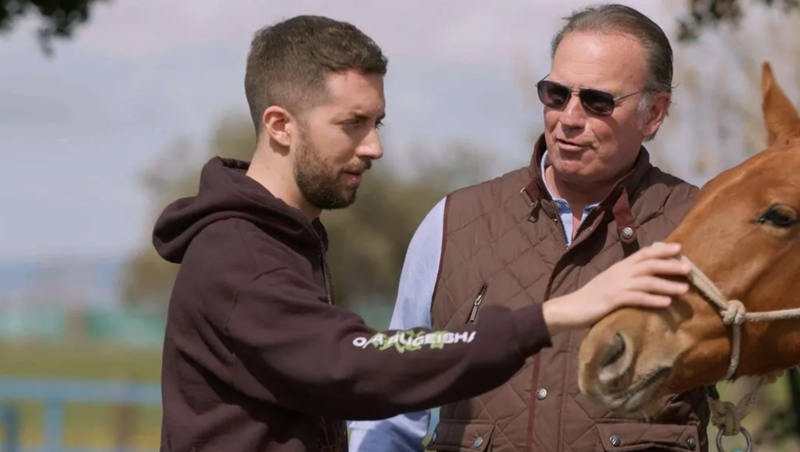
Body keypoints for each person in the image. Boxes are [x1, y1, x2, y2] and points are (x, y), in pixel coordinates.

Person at [152, 13, 697, 452]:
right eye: (352, 124)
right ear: (279, 125)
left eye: (598, 101)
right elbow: (361, 367)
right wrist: (553, 316)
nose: (374, 148)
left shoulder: (286, 239)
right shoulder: (244, 258)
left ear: (655, 114)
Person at [348, 4, 711, 452]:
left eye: (598, 102)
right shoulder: (452, 223)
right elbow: (392, 404)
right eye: (556, 94)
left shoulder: (704, 224)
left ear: (653, 113)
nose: (569, 118)